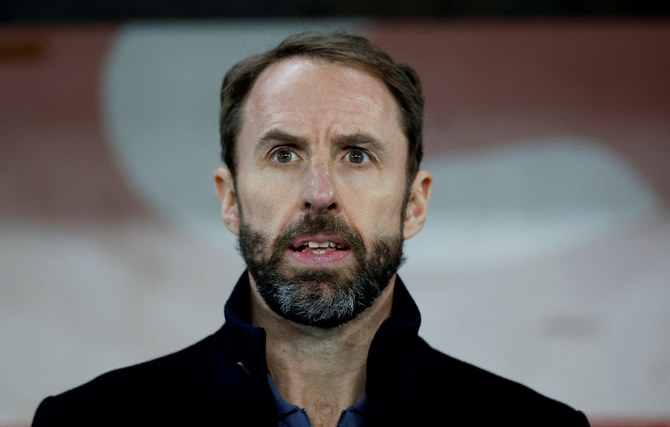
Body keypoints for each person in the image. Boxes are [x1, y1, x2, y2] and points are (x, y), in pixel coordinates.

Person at [31, 31, 590, 426]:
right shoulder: (87, 421)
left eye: (356, 155)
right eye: (282, 154)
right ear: (230, 200)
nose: (319, 193)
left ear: (414, 204)